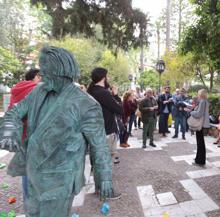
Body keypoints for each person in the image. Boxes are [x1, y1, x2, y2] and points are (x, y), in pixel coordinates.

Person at [0, 46, 115, 217]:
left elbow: (99, 145)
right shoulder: (39, 91)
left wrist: (104, 177)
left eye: (44, 67)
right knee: (32, 214)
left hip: (61, 179)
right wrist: (9, 130)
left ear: (60, 68)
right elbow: (16, 111)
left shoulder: (87, 104)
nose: (42, 73)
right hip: (34, 172)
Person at [8, 68, 41, 201]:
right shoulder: (36, 90)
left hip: (22, 135)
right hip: (35, 136)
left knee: (26, 170)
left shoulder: (16, 90)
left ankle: (28, 200)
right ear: (37, 76)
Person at [87, 67, 123, 166]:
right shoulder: (103, 93)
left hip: (97, 131)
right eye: (108, 76)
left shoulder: (91, 91)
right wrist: (116, 95)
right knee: (105, 164)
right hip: (107, 132)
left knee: (98, 162)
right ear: (103, 78)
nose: (109, 78)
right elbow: (120, 110)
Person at [185, 89, 209, 166]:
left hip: (200, 125)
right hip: (202, 124)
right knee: (201, 142)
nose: (197, 94)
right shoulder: (205, 101)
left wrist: (190, 111)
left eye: (198, 93)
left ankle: (200, 161)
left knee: (200, 143)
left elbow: (199, 114)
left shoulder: (202, 101)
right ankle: (199, 159)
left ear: (201, 94)